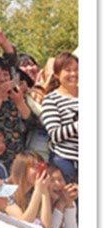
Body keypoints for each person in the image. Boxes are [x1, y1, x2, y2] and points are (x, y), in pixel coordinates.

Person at [41, 53, 78, 182]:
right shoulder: (51, 100)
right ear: (57, 74)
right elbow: (55, 134)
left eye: (76, 69)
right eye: (68, 70)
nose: (73, 74)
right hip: (65, 162)